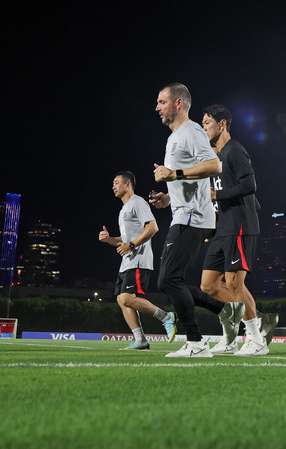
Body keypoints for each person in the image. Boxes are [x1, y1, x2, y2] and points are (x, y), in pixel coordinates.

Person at [150, 82, 237, 358]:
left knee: (169, 279)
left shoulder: (192, 131)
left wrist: (173, 174)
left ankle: (197, 343)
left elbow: (214, 165)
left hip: (192, 217)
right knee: (171, 279)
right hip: (182, 213)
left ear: (178, 103)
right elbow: (187, 177)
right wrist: (167, 197)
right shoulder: (174, 137)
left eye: (161, 102)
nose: (157, 107)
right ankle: (225, 310)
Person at [199, 104, 272, 356]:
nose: (203, 127)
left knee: (233, 283)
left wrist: (218, 196)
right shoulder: (214, 158)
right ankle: (240, 331)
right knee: (208, 285)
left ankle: (256, 339)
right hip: (224, 229)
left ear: (222, 124)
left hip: (239, 227)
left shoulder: (234, 150)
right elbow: (255, 203)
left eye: (207, 122)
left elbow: (250, 184)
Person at [98, 171, 177, 350]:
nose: (113, 186)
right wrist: (109, 239)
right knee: (121, 299)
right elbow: (124, 240)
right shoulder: (123, 209)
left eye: (116, 182)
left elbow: (153, 228)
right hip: (127, 261)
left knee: (127, 297)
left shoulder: (137, 202)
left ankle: (167, 317)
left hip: (139, 259)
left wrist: (132, 245)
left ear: (128, 185)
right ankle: (140, 339)